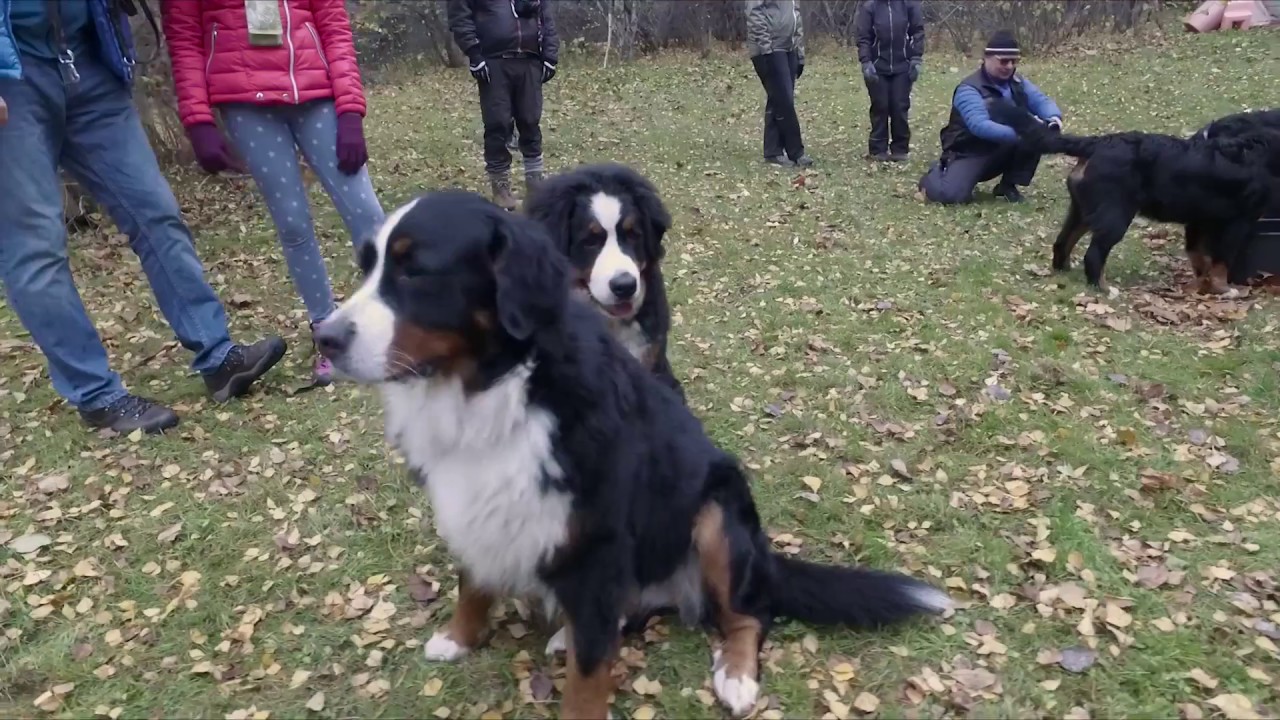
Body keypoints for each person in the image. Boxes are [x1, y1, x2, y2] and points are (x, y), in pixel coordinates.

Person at [0, 0, 286, 436]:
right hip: (12, 73)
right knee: (35, 245)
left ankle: (217, 355)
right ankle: (97, 395)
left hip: (85, 55)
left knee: (154, 210)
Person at [161, 0, 386, 386]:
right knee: (292, 224)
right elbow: (184, 40)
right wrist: (197, 120)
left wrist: (350, 109)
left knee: (366, 213)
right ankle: (327, 333)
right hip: (246, 105)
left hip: (318, 93)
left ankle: (393, 315)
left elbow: (333, 23)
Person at [917, 30, 1064, 204]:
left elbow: (1041, 101)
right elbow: (980, 126)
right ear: (987, 58)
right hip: (969, 152)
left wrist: (1053, 119)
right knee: (950, 196)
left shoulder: (1017, 82)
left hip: (1000, 148)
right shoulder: (969, 90)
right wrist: (1021, 134)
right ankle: (935, 174)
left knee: (1035, 134)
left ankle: (1008, 186)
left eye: (1014, 61)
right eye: (1004, 61)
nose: (1009, 66)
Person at [447, 0, 559, 211]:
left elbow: (547, 19)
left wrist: (550, 55)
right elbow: (460, 17)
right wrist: (474, 54)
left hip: (530, 60)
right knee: (497, 123)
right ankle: (501, 189)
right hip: (493, 61)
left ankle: (535, 185)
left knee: (530, 120)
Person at [746, 0, 813, 168]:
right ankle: (796, 152)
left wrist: (800, 53)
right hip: (769, 47)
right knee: (784, 102)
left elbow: (796, 16)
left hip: (789, 48)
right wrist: (766, 47)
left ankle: (773, 151)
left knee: (778, 99)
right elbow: (754, 13)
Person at [855, 0, 925, 162]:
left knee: (899, 106)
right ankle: (877, 149)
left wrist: (916, 58)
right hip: (877, 66)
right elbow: (864, 38)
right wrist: (866, 62)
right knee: (880, 106)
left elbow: (917, 32)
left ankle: (900, 148)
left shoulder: (909, 5)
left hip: (903, 66)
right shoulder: (869, 7)